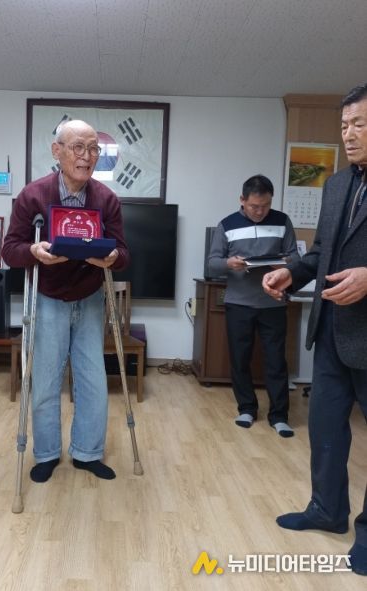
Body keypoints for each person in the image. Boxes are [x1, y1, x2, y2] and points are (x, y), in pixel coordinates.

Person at [262, 82, 367, 577]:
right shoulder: (337, 185)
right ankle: (327, 509)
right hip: (330, 331)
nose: (349, 134)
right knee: (325, 429)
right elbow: (322, 252)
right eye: (344, 125)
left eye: (360, 124)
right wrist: (292, 273)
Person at [2, 119, 129, 483]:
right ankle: (46, 454)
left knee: (93, 380)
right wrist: (33, 251)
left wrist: (112, 258)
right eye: (78, 147)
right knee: (44, 381)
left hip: (89, 297)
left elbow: (123, 254)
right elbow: (10, 250)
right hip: (47, 298)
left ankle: (87, 453)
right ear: (57, 151)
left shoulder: (106, 200)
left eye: (93, 149)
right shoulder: (33, 196)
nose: (87, 156)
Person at [208, 174, 299, 436]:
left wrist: (283, 264)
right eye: (254, 206)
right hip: (239, 303)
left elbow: (296, 258)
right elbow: (212, 263)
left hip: (273, 302)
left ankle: (279, 416)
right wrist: (229, 263)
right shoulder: (227, 225)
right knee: (240, 359)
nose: (260, 211)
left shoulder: (283, 221)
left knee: (276, 361)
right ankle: (246, 408)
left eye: (266, 205)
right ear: (242, 200)